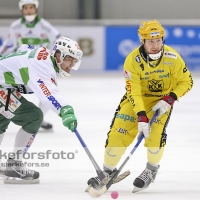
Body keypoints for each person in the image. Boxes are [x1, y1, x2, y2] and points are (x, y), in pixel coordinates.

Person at [87, 20, 193, 193]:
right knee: (117, 137)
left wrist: (170, 99)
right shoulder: (132, 61)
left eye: (158, 40)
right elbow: (134, 92)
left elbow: (187, 82)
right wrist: (142, 116)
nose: (155, 45)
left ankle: (151, 170)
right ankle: (107, 172)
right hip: (136, 100)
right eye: (150, 41)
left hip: (161, 102)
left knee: (155, 138)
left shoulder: (172, 58)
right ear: (142, 41)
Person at [0, 37, 83, 183]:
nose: (71, 65)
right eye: (69, 60)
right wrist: (66, 110)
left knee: (2, 120)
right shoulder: (43, 67)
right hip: (2, 89)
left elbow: (24, 48)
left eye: (74, 61)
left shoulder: (43, 53)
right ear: (58, 55)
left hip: (4, 87)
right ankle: (14, 165)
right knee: (34, 116)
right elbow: (48, 95)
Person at [0, 0, 61, 130]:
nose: (28, 10)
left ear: (36, 9)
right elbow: (9, 45)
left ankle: (40, 119)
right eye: (26, 7)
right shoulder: (15, 26)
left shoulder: (45, 26)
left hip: (41, 67)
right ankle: (9, 117)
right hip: (20, 68)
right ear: (21, 10)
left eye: (31, 7)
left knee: (48, 91)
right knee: (9, 91)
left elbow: (58, 40)